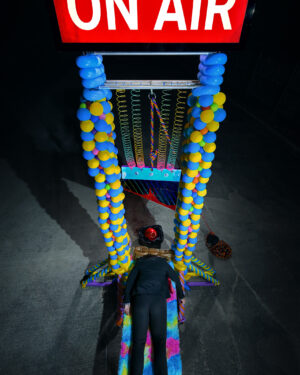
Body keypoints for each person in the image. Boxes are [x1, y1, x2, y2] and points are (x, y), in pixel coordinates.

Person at [123, 247, 186, 375]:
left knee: (138, 343)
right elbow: (176, 278)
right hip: (158, 302)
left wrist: (127, 302)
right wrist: (181, 296)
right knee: (159, 342)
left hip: (141, 301)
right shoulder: (164, 263)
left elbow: (129, 282)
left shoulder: (139, 263)